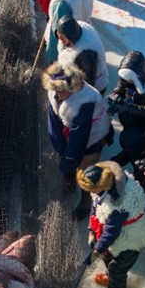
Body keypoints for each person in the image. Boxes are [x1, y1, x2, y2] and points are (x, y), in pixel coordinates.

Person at [78, 162, 145, 288]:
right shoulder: (103, 187)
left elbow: (111, 232)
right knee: (108, 254)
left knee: (117, 268)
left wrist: (96, 251)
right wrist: (92, 230)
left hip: (132, 235)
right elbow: (95, 206)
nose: (89, 192)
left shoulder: (118, 204)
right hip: (120, 228)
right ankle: (110, 277)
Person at [43, 63, 112, 221]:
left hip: (92, 136)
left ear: (72, 86)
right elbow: (53, 120)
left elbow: (80, 136)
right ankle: (69, 182)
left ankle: (86, 202)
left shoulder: (84, 101)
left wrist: (68, 159)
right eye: (55, 90)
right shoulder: (55, 92)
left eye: (62, 90)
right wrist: (60, 147)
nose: (58, 94)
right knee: (66, 157)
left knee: (84, 170)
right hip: (72, 131)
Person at [54, 14, 108, 93]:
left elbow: (88, 86)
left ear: (71, 36)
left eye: (62, 36)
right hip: (74, 76)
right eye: (58, 33)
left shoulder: (86, 54)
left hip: (93, 86)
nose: (59, 38)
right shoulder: (75, 30)